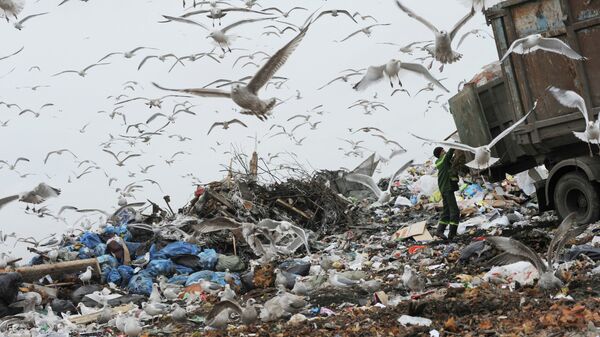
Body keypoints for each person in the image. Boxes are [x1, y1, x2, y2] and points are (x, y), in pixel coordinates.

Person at [433, 147, 460, 240]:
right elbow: (449, 154)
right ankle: (452, 234)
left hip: (444, 188)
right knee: (455, 211)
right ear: (440, 153)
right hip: (447, 188)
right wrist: (454, 145)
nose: (444, 152)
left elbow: (450, 160)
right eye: (443, 151)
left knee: (447, 211)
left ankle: (439, 231)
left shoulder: (442, 162)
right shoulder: (443, 160)